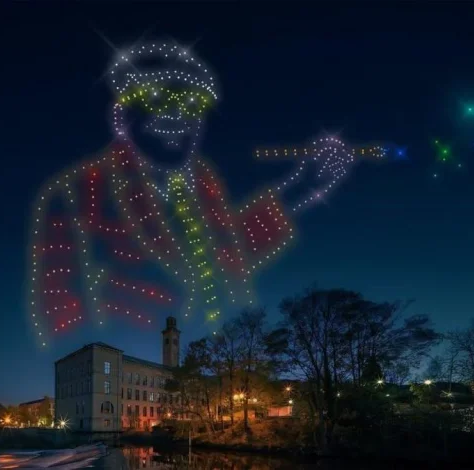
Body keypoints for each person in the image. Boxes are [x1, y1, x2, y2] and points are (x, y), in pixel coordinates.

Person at [29, 42, 383, 346]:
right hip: (138, 343)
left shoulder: (201, 182)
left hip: (215, 344)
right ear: (123, 116)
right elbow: (62, 310)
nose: (177, 117)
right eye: (158, 102)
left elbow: (229, 249)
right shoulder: (76, 193)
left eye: (191, 106)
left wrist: (304, 185)